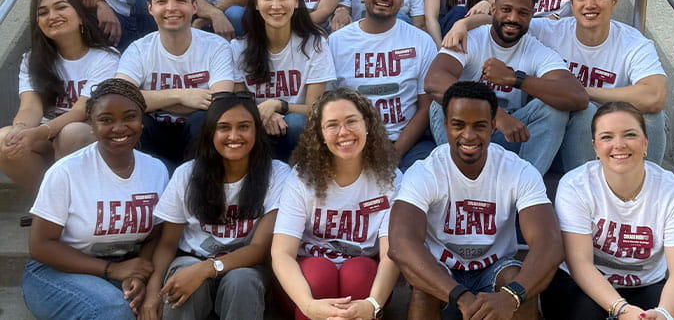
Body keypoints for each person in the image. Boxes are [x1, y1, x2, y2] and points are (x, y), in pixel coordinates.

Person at [388, 81, 564, 320]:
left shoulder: (518, 170)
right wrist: (461, 297)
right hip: (443, 270)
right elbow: (400, 243)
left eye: (479, 126)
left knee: (518, 283)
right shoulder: (425, 172)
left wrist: (512, 295)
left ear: (493, 126)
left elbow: (549, 242)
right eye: (458, 125)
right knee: (423, 289)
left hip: (494, 268)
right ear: (446, 125)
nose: (468, 135)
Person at [21, 78, 169, 320]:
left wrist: (138, 272)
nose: (119, 127)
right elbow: (41, 246)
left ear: (142, 122)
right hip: (57, 270)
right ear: (91, 124)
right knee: (113, 311)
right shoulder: (66, 172)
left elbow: (156, 235)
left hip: (124, 266)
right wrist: (112, 270)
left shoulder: (156, 170)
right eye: (106, 120)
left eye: (130, 117)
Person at [540, 102, 674, 320]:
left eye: (630, 135)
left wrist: (664, 313)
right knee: (586, 314)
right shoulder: (576, 185)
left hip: (645, 284)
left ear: (645, 143)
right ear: (595, 147)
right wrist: (621, 309)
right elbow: (579, 261)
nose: (619, 144)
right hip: (580, 283)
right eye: (607, 137)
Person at [141, 93, 290, 320]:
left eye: (244, 127)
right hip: (191, 259)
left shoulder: (276, 174)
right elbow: (167, 244)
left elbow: (259, 248)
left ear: (256, 132)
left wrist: (208, 268)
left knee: (242, 281)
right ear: (211, 133)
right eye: (224, 127)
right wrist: (153, 293)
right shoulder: (187, 174)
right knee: (183, 274)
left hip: (246, 265)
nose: (234, 136)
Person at [425, 0, 589, 174]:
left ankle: (526, 187)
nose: (513, 18)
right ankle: (459, 176)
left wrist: (515, 79)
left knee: (555, 107)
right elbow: (434, 80)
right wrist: (494, 113)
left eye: (522, 13)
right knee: (441, 101)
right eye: (506, 9)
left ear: (531, 16)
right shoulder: (471, 38)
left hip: (510, 133)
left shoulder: (536, 50)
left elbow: (578, 97)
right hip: (467, 128)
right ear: (493, 9)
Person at [271, 88, 401, 320]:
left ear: (367, 125)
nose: (343, 132)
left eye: (351, 121)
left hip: (365, 281)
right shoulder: (303, 177)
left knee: (358, 272)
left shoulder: (390, 178)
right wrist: (309, 306)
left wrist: (372, 304)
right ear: (319, 134)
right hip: (307, 281)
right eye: (332, 125)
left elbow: (390, 254)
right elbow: (281, 253)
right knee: (319, 273)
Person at [527, 0, 668, 171]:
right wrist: (464, 24)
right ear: (572, 2)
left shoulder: (632, 42)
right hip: (558, 143)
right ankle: (586, 193)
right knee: (584, 111)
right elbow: (499, 23)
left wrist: (582, 92)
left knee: (654, 117)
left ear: (614, 1)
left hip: (611, 141)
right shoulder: (550, 31)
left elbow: (654, 97)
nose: (589, 4)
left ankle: (644, 190)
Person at [0, 0, 119, 194]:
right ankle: (53, 205)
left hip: (87, 134)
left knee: (70, 133)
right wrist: (20, 129)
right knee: (4, 140)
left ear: (80, 16)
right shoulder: (32, 59)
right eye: (43, 13)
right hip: (47, 137)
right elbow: (30, 107)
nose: (52, 16)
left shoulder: (106, 58)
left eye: (61, 7)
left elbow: (81, 111)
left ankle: (77, 204)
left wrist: (38, 132)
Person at [116, 0, 234, 170]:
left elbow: (220, 100)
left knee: (205, 119)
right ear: (150, 9)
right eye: (162, 1)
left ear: (194, 6)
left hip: (199, 134)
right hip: (154, 132)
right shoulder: (139, 49)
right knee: (133, 120)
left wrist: (152, 102)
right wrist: (181, 96)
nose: (171, 8)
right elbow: (120, 99)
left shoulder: (216, 46)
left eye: (180, 0)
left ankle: (198, 184)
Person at [329, 0, 438, 171]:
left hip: (405, 144)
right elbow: (327, 106)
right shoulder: (336, 43)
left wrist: (393, 154)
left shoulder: (421, 41)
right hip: (350, 143)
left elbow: (426, 108)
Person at [232, 0, 336, 161]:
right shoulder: (239, 47)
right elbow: (238, 104)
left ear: (296, 1)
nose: (276, 5)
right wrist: (265, 114)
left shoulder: (314, 44)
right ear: (255, 2)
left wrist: (277, 105)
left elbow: (314, 109)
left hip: (296, 132)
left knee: (296, 122)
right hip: (255, 126)